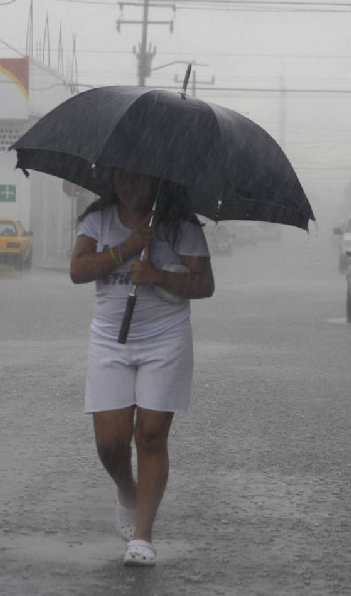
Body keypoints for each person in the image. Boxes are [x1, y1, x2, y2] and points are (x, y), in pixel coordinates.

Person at [70, 168, 215, 566]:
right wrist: (127, 247)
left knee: (150, 434)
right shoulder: (97, 220)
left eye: (138, 179)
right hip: (110, 341)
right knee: (110, 443)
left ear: (158, 182)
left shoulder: (180, 226)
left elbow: (204, 284)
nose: (128, 187)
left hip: (165, 340)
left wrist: (156, 276)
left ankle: (142, 536)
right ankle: (126, 490)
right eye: (121, 178)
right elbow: (78, 271)